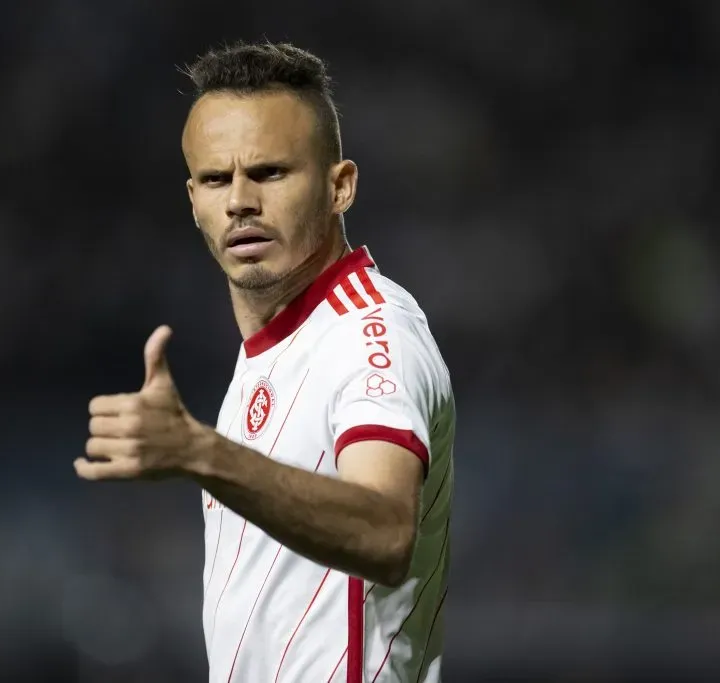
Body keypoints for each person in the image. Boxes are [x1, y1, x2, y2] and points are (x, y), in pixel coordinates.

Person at [74, 41, 454, 683]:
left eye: (271, 173)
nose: (240, 201)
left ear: (340, 187)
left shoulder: (370, 332)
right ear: (193, 198)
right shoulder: (270, 354)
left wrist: (201, 453)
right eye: (218, 179)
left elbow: (388, 534)